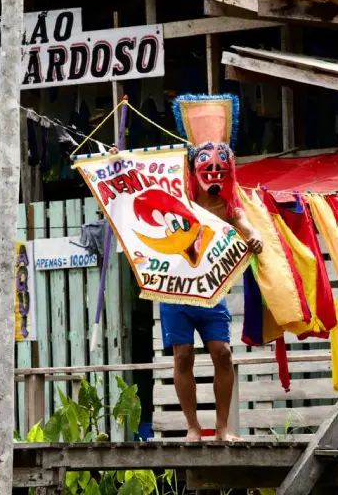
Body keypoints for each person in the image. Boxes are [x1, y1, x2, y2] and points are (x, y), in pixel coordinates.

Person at [109, 144, 263, 442]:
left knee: (222, 352)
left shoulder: (230, 208)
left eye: (221, 169)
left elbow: (246, 226)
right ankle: (193, 427)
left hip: (210, 292)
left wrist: (255, 236)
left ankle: (222, 428)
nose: (215, 173)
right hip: (174, 291)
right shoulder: (180, 197)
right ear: (194, 171)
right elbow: (141, 186)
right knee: (182, 356)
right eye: (208, 168)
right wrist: (120, 163)